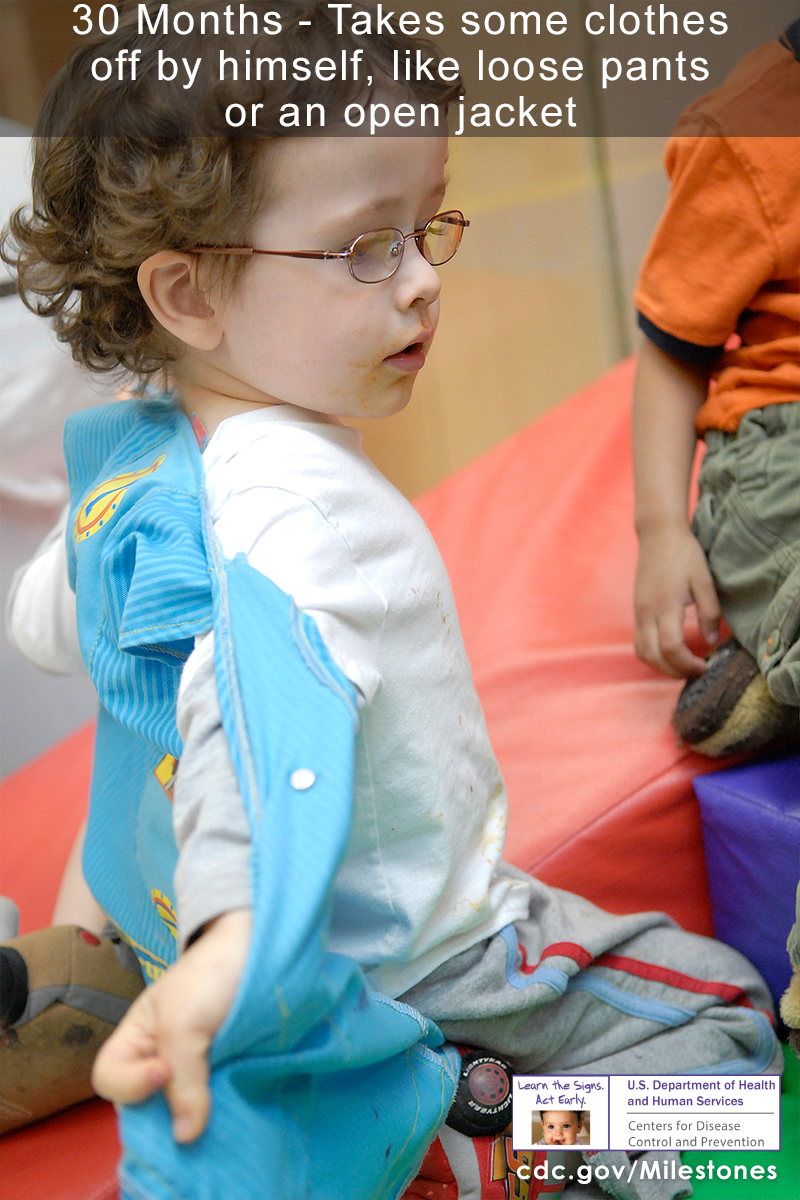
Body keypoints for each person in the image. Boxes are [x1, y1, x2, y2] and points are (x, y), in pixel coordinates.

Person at [2, 4, 782, 1196]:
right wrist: (237, 940)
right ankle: (476, 1137)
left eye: (428, 225)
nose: (422, 282)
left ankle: (101, 983)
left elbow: (47, 625)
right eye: (367, 246)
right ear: (189, 293)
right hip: (411, 959)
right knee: (731, 1045)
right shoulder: (307, 517)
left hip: (179, 922)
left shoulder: (137, 464)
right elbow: (252, 724)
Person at [632, 19, 800, 756]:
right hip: (779, 447)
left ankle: (775, 663)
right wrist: (661, 531)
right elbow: (672, 352)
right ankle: (778, 639)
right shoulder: (746, 131)